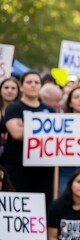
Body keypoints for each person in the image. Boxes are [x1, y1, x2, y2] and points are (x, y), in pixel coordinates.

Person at [2, 71, 55, 207]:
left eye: (36, 82)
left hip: (43, 170)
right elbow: (17, 134)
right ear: (21, 86)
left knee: (41, 207)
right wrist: (43, 131)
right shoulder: (14, 108)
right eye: (29, 82)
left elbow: (56, 136)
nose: (33, 85)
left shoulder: (50, 111)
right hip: (17, 167)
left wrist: (27, 127)